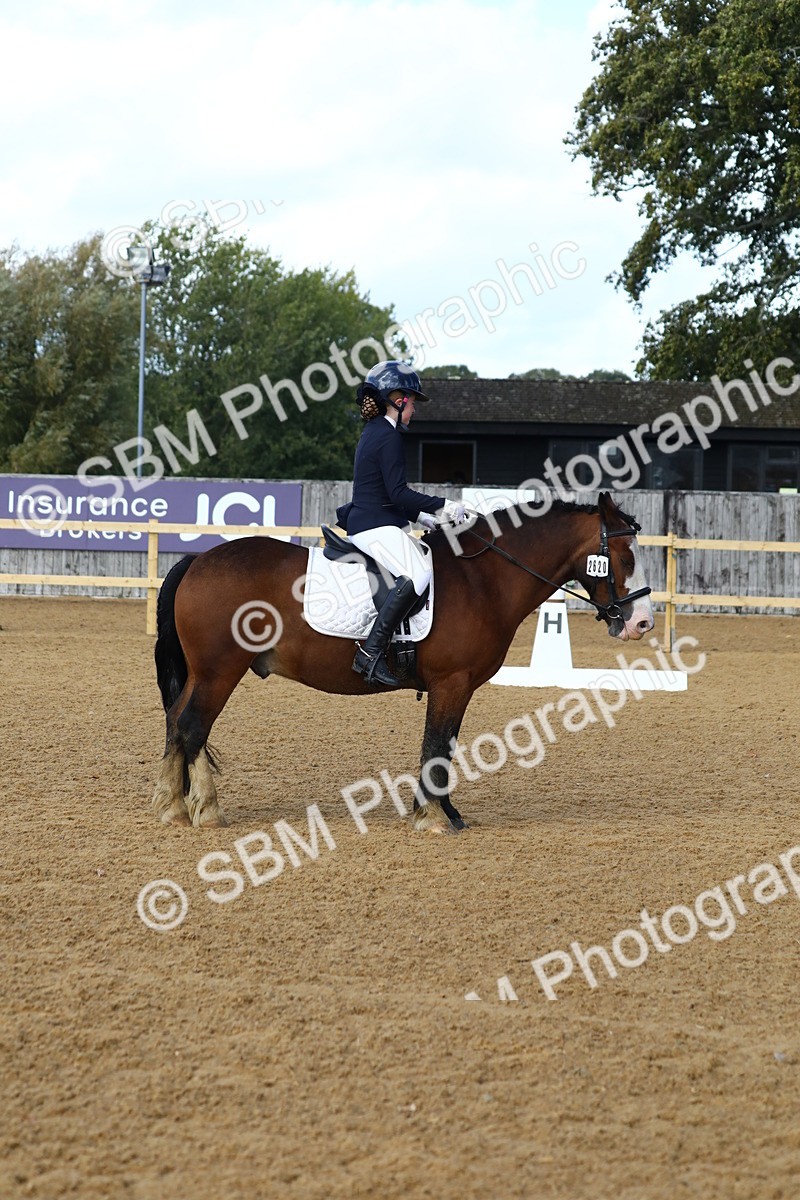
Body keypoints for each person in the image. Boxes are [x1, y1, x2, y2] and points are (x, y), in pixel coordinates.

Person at [335, 361, 467, 688]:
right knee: (419, 573)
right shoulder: (387, 436)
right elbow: (398, 492)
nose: (414, 409)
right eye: (411, 400)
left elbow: (388, 496)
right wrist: (444, 506)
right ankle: (370, 653)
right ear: (397, 399)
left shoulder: (377, 431)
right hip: (372, 526)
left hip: (376, 519)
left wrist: (424, 517)